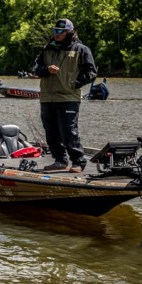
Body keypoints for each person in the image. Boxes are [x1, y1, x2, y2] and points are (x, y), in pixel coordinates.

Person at [33, 18, 97, 172]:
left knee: (69, 131)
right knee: (51, 132)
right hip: (47, 97)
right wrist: (47, 69)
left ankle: (78, 162)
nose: (56, 33)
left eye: (60, 31)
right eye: (55, 30)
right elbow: (36, 68)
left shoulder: (81, 49)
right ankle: (60, 160)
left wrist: (74, 83)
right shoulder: (47, 48)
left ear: (69, 32)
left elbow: (91, 72)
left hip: (68, 97)